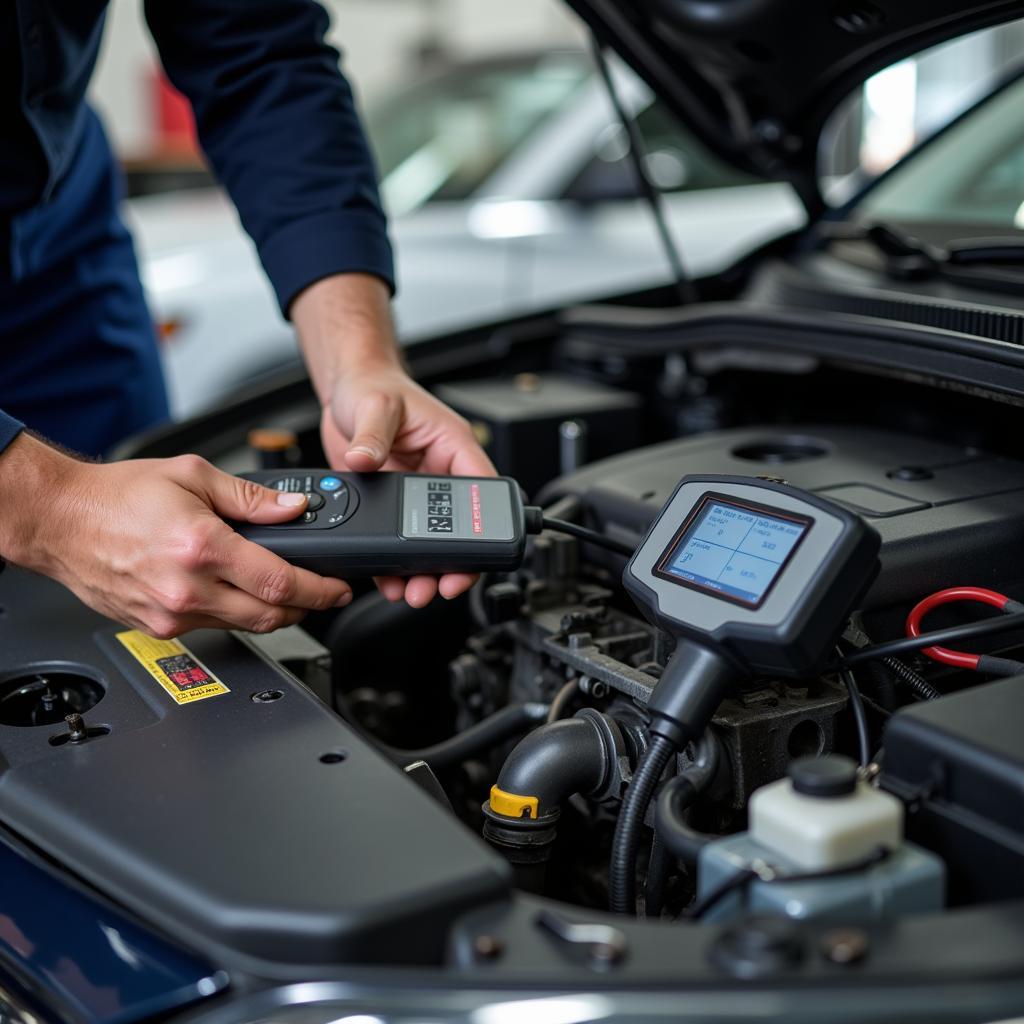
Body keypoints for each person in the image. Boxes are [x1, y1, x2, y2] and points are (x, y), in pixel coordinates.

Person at [0, 0, 495, 639]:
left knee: (163, 583)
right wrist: (52, 509)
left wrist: (359, 359)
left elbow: (259, 51)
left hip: (61, 240)